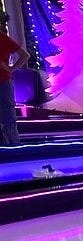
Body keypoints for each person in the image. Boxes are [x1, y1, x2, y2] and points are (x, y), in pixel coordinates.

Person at [0, 12, 30, 146]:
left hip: (3, 82)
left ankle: (13, 147)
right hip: (5, 81)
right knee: (8, 116)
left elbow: (25, 55)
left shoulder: (2, 38)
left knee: (8, 117)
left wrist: (11, 68)